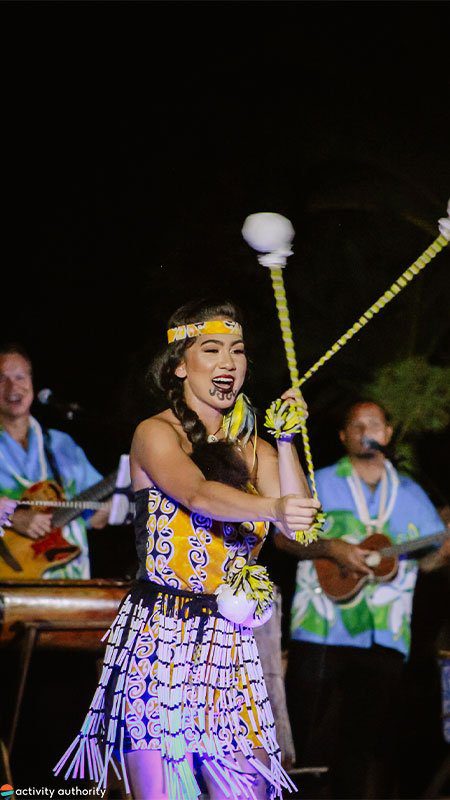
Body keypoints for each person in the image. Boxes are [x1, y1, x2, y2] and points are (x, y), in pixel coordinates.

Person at [54, 299, 368, 800]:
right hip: (161, 641)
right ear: (180, 365)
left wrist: (285, 440)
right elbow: (198, 494)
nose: (228, 362)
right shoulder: (156, 433)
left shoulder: (254, 449)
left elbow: (303, 530)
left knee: (249, 791)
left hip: (231, 646)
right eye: (212, 349)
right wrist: (275, 506)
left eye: (238, 351)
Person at [284, 400, 450, 800]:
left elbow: (428, 561)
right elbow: (282, 538)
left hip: (386, 636)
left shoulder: (411, 491)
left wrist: (443, 552)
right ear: (343, 436)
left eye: (373, 424)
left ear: (388, 433)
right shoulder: (318, 480)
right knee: (308, 743)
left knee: (367, 748)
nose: (365, 430)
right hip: (320, 628)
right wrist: (331, 548)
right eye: (355, 424)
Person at [0, 343, 110, 579]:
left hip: (70, 586)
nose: (12, 387)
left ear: (31, 382)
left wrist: (117, 507)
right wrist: (12, 518)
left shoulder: (60, 445)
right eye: (2, 379)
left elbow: (96, 518)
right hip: (8, 587)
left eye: (20, 376)